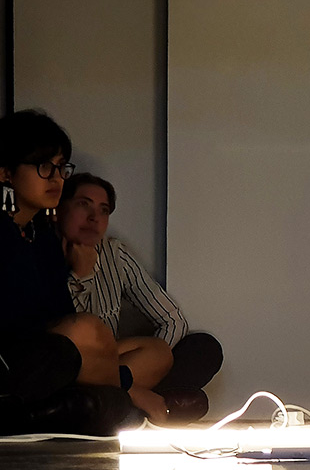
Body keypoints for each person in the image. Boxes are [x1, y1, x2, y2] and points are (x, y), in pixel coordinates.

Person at [0, 110, 190, 429]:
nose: (56, 177)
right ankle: (126, 397)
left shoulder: (39, 233)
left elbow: (60, 311)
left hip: (62, 353)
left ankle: (108, 399)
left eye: (61, 168)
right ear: (6, 173)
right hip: (17, 358)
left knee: (155, 350)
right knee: (84, 335)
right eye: (44, 166)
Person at [58, 172, 223, 404]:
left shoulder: (115, 254)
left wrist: (153, 364)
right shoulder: (42, 251)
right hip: (68, 372)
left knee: (203, 349)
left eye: (104, 210)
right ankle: (143, 402)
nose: (94, 217)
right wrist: (81, 275)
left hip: (117, 364)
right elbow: (63, 341)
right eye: (84, 205)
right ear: (60, 209)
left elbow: (172, 319)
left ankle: (134, 398)